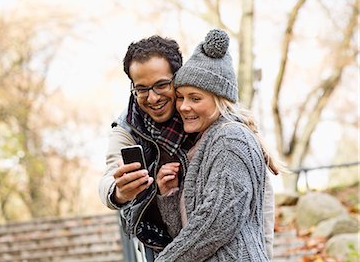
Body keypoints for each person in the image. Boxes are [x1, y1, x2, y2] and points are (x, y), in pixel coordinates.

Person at [99, 34, 277, 261]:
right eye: (142, 89)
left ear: (178, 78)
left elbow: (239, 212)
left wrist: (265, 252)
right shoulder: (128, 127)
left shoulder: (224, 132)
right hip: (163, 244)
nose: (152, 98)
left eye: (161, 85)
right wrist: (121, 191)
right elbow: (107, 179)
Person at [154, 29, 279, 261]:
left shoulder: (230, 140)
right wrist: (169, 194)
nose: (183, 106)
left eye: (195, 98)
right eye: (181, 97)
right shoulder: (204, 144)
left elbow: (218, 224)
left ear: (220, 100)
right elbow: (188, 233)